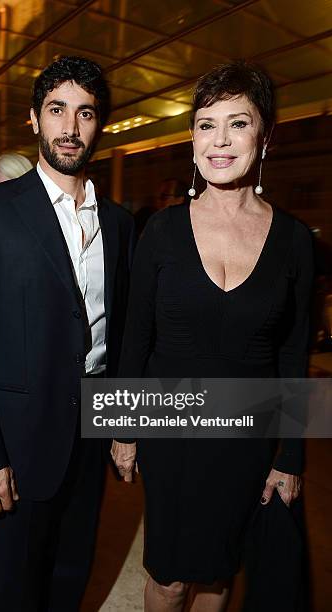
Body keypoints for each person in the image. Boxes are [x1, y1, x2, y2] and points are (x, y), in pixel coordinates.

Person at [112, 61, 313, 611]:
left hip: (246, 436)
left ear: (265, 137)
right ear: (193, 138)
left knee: (222, 571)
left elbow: (295, 354)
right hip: (169, 426)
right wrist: (121, 430)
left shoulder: (295, 240)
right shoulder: (161, 229)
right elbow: (135, 338)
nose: (219, 140)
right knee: (169, 575)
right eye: (206, 124)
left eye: (238, 123)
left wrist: (292, 456)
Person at [0, 56, 134, 611]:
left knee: (72, 569)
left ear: (99, 125)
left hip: (91, 427)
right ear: (34, 119)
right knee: (12, 580)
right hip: (20, 439)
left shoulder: (120, 224)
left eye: (85, 113)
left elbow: (118, 337)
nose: (70, 128)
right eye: (57, 110)